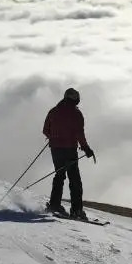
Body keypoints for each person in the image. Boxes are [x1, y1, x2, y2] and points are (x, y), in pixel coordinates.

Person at [42, 87, 94, 220]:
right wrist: (86, 148)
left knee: (59, 175)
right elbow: (79, 133)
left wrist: (53, 137)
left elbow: (45, 130)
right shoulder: (76, 114)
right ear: (76, 100)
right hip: (69, 149)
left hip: (55, 149)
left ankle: (54, 205)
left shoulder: (54, 111)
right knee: (74, 179)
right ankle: (77, 210)